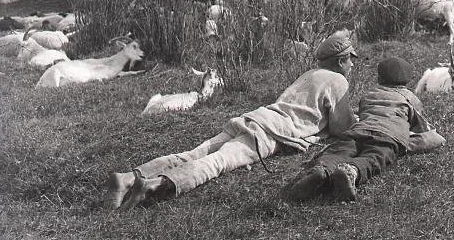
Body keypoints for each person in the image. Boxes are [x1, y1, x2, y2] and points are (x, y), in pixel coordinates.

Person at [107, 30, 359, 210]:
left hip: (255, 117)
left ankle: (128, 177)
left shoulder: (310, 73)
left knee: (194, 152)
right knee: (216, 163)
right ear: (341, 60)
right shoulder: (338, 80)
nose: (352, 65)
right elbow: (340, 127)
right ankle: (153, 185)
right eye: (351, 60)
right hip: (272, 132)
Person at [281, 55, 444, 203]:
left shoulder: (370, 94)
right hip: (387, 137)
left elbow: (363, 112)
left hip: (359, 131)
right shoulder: (410, 98)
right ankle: (351, 171)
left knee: (340, 151)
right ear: (407, 81)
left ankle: (322, 169)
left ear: (380, 78)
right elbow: (422, 127)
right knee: (374, 157)